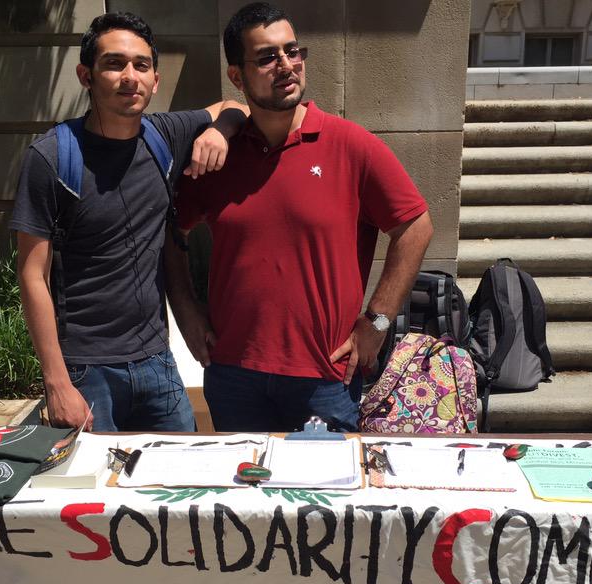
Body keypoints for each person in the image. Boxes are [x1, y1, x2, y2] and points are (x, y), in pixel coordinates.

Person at [166, 2, 433, 433]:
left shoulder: (351, 146)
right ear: (237, 75)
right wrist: (186, 311)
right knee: (244, 499)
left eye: (293, 51)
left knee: (320, 500)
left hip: (324, 377)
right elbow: (170, 231)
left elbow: (415, 225)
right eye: (268, 57)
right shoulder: (220, 157)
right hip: (233, 374)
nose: (287, 65)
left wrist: (378, 321)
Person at [11, 12, 247, 432]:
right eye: (114, 63)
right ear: (86, 75)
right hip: (86, 370)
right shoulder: (51, 157)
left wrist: (219, 132)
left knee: (178, 487)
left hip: (157, 361)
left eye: (141, 65)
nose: (129, 77)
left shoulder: (165, 136)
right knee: (97, 493)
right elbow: (32, 276)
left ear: (155, 80)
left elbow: (234, 106)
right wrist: (57, 382)